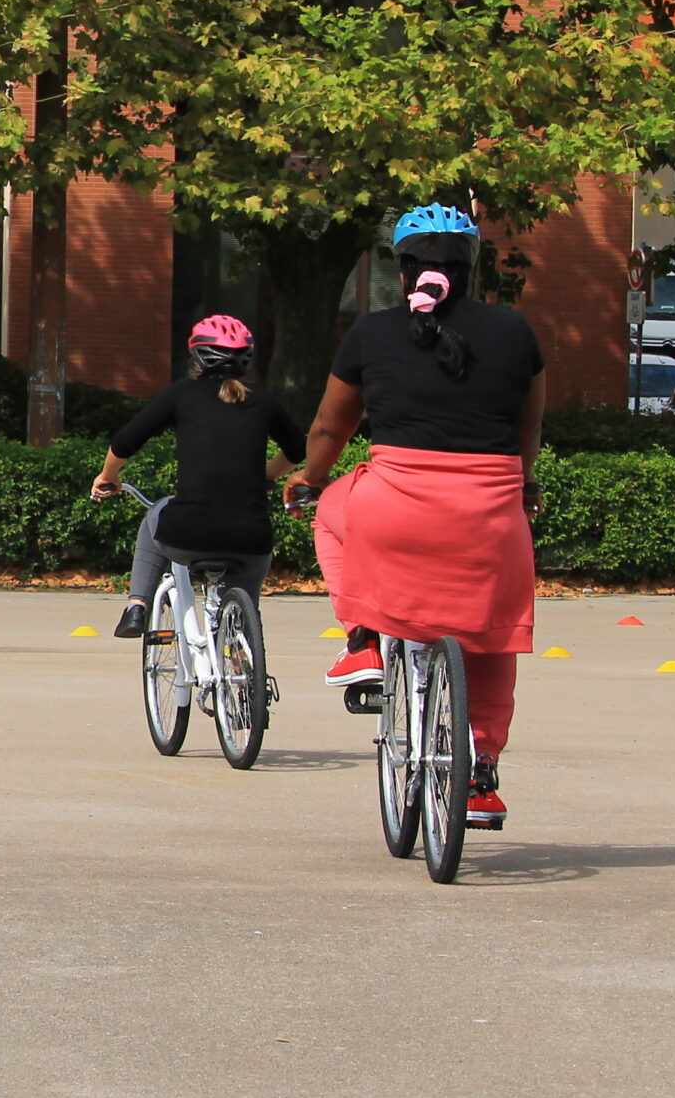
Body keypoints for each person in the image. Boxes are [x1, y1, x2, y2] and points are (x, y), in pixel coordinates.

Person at [284, 205, 545, 829]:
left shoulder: (370, 335)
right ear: (472, 270)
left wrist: (307, 480)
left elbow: (329, 426)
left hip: (394, 511)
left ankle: (365, 637)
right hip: (491, 517)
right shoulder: (516, 333)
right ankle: (479, 776)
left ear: (405, 275)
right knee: (490, 637)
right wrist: (525, 485)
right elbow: (527, 425)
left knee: (333, 512)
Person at [91, 315, 306, 637]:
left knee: (155, 514)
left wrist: (108, 476)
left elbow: (125, 441)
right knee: (247, 607)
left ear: (196, 356)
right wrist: (265, 475)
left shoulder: (182, 394)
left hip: (187, 534)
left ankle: (137, 605)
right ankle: (244, 666)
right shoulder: (263, 400)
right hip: (251, 538)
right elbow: (298, 450)